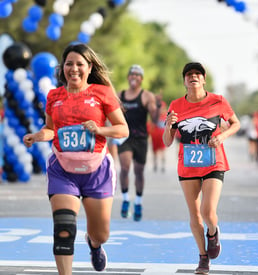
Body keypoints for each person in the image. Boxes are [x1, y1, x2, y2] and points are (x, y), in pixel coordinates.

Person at [23, 43, 129, 274]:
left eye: (79, 64)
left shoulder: (102, 94)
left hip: (96, 169)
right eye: (69, 64)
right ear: (63, 68)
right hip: (63, 168)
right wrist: (39, 135)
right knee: (63, 228)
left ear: (89, 67)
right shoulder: (54, 95)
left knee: (101, 233)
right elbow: (51, 129)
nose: (74, 69)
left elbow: (123, 129)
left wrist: (99, 130)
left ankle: (94, 244)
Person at [163, 62, 240, 274]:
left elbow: (236, 124)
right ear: (184, 81)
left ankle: (213, 232)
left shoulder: (218, 100)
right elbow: (167, 141)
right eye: (189, 74)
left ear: (204, 79)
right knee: (195, 215)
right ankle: (203, 257)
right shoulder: (176, 105)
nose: (193, 76)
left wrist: (221, 137)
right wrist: (168, 125)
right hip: (187, 165)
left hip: (213, 161)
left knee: (207, 212)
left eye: (197, 73)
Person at [117, 64, 161, 221]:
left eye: (137, 75)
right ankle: (125, 199)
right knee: (124, 167)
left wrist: (157, 107)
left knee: (138, 171)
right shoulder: (120, 95)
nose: (134, 77)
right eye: (132, 74)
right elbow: (113, 115)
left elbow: (155, 120)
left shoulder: (146, 96)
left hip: (141, 138)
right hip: (125, 137)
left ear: (141, 79)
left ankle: (138, 202)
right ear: (128, 77)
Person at [148, 94, 167, 173]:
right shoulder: (154, 116)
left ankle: (163, 165)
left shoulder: (165, 116)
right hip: (154, 136)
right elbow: (150, 126)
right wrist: (149, 136)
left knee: (162, 151)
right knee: (155, 152)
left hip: (162, 137)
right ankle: (155, 164)